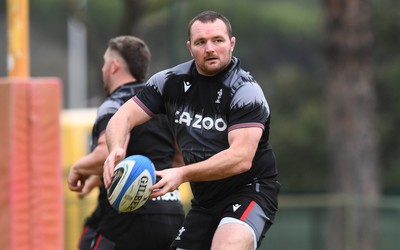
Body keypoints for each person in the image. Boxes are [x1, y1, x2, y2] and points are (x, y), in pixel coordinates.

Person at [103, 11, 280, 250]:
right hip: (206, 200)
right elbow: (122, 116)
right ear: (190, 47)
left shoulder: (245, 91)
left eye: (218, 40)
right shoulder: (169, 82)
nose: (210, 48)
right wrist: (115, 149)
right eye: (201, 42)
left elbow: (241, 158)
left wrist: (182, 174)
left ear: (231, 43)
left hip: (250, 190)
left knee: (226, 246)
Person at [67, 35, 185, 250]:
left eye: (104, 63)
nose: (103, 69)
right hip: (170, 216)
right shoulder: (163, 103)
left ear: (114, 66)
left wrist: (78, 167)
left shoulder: (115, 104)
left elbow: (109, 154)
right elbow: (179, 159)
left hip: (124, 220)